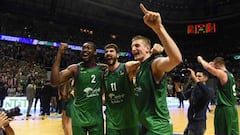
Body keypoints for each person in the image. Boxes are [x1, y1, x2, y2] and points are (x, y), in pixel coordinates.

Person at [131, 3, 182, 135]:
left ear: (148, 48)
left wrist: (158, 28)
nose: (133, 49)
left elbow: (176, 59)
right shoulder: (139, 67)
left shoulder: (155, 64)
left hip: (158, 128)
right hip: (145, 125)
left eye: (137, 45)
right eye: (132, 47)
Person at [51, 42, 104, 135]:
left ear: (95, 52)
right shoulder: (75, 69)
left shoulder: (102, 69)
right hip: (79, 118)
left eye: (88, 48)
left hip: (96, 118)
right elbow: (55, 81)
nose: (85, 50)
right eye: (83, 48)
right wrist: (59, 54)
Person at [103, 43, 140, 135]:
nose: (108, 53)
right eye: (106, 51)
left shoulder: (126, 67)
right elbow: (104, 96)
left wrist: (152, 52)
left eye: (111, 51)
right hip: (112, 123)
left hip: (129, 121)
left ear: (118, 55)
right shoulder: (104, 75)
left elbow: (142, 61)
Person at [197, 56, 239, 135]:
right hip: (232, 109)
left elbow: (208, 68)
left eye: (215, 65)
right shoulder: (230, 75)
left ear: (218, 64)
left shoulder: (222, 73)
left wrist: (201, 60)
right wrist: (212, 64)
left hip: (224, 110)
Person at [183, 68, 214, 135]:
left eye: (199, 76)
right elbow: (182, 97)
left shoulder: (209, 90)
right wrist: (178, 84)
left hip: (199, 122)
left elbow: (207, 93)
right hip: (191, 122)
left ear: (206, 78)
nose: (196, 78)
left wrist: (195, 79)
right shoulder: (193, 89)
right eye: (196, 76)